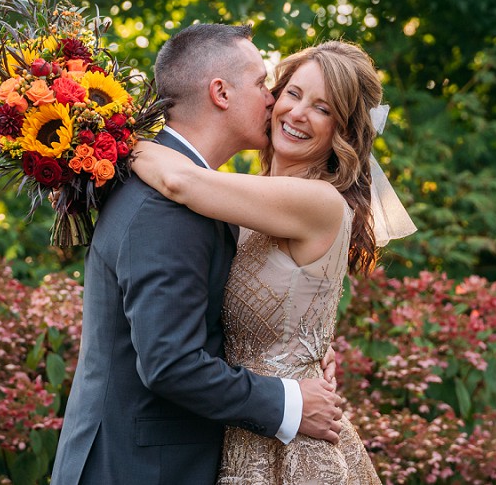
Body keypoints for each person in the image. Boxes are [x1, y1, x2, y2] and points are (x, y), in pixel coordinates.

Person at [50, 25, 347, 485]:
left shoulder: (210, 194)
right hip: (138, 468)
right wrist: (290, 401)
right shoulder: (166, 204)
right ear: (220, 92)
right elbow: (171, 362)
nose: (273, 100)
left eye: (321, 107)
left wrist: (307, 348)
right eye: (262, 84)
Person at [132, 40, 416, 483]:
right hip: (241, 422)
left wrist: (101, 141)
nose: (299, 114)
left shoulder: (318, 201)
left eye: (323, 109)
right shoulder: (246, 199)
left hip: (293, 447)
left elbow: (179, 181)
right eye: (293, 93)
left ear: (342, 130)